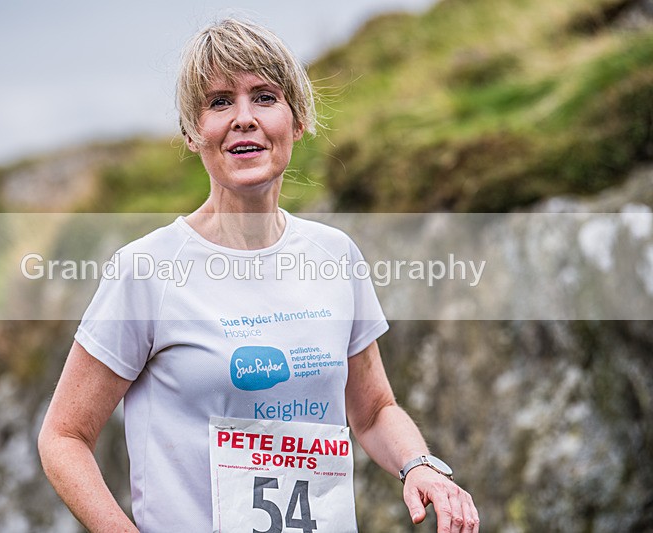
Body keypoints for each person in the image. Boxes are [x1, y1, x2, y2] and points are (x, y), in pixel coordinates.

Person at [38, 18, 479, 533]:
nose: (243, 118)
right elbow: (63, 437)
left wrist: (419, 465)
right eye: (219, 102)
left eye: (264, 97)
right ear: (191, 130)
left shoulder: (335, 255)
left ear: (298, 121)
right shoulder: (146, 270)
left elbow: (375, 410)